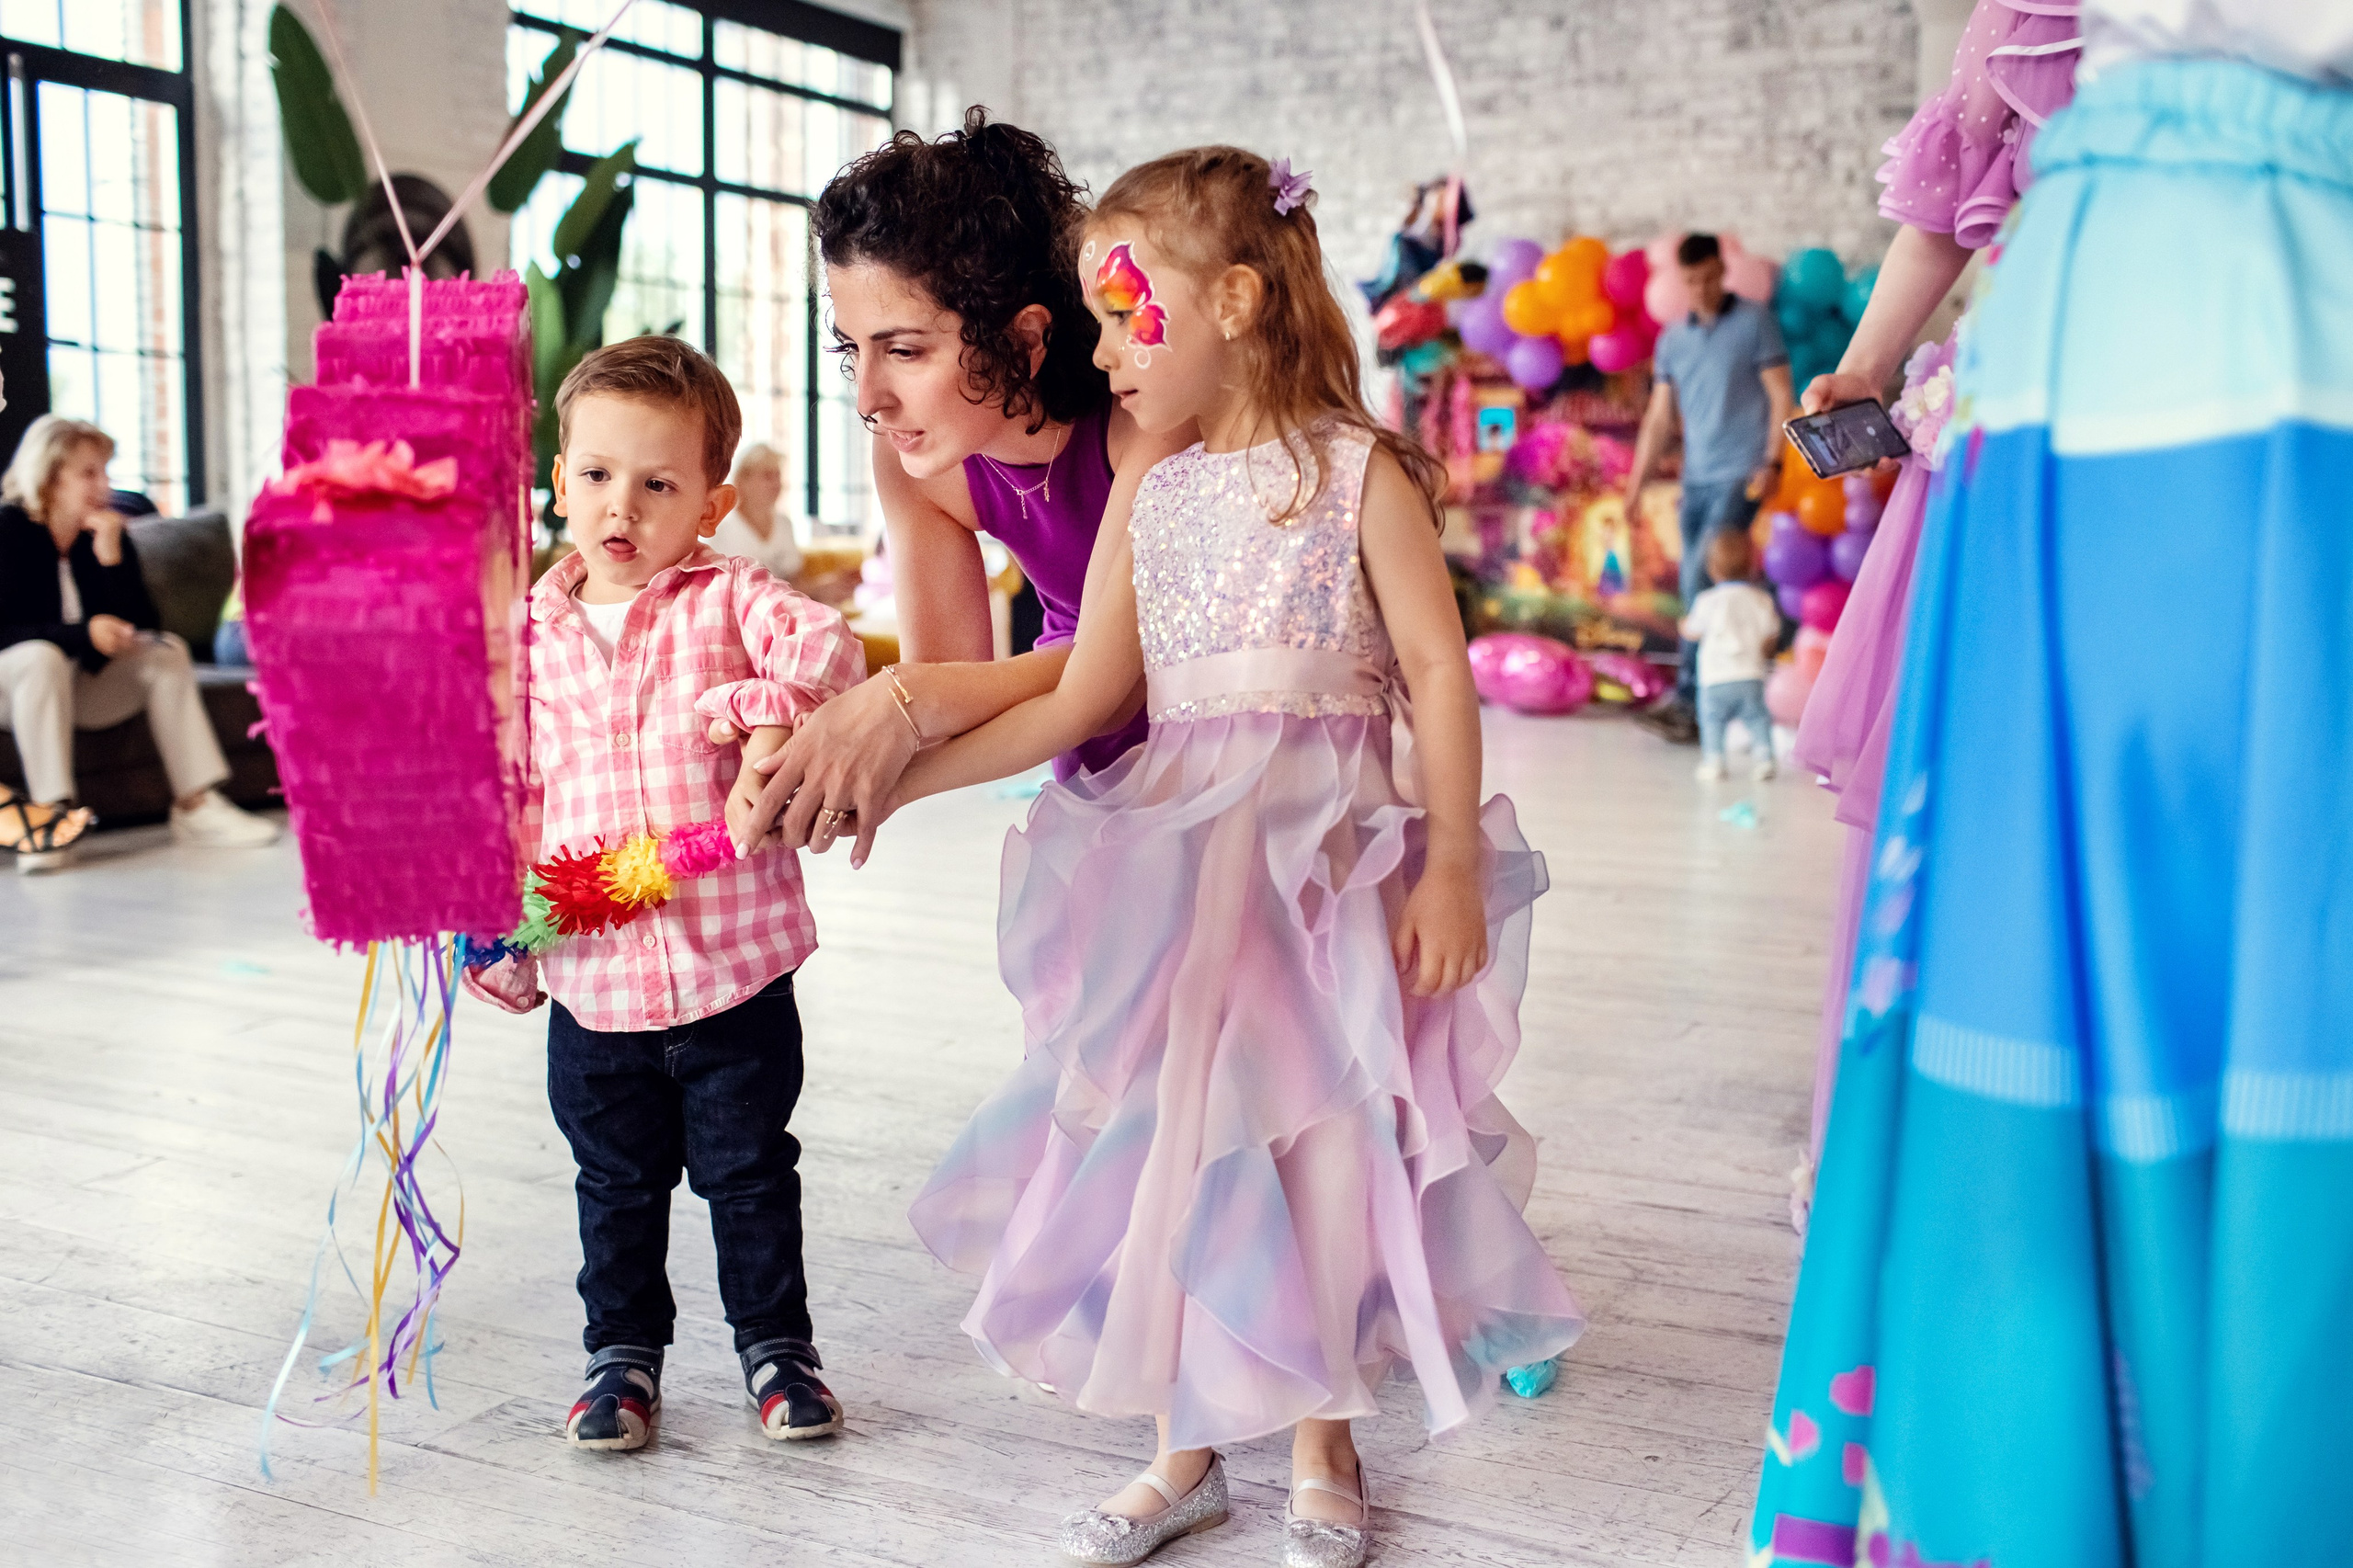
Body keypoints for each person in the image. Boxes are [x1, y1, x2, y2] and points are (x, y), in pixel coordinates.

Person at [871, 147, 1585, 1568]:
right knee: (1180, 1130)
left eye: (1131, 317)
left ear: (1241, 301)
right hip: (1184, 871)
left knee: (1321, 1130)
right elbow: (1081, 697)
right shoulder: (1160, 492)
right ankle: (1182, 1443)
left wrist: (1448, 862)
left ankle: (1321, 1435)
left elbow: (1441, 674)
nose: (1104, 350)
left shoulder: (1354, 473)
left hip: (1328, 864)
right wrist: (898, 783)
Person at [1750, 10, 2353, 1566]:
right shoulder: (2027, 54)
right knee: (2083, 929)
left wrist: (1874, 374)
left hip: (2169, 335)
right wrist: (1863, 379)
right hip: (2110, 364)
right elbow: (1941, 203)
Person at [462, 336, 866, 1453]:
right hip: (595, 987)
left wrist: (754, 700)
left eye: (658, 483)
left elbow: (833, 653)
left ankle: (777, 1346)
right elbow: (517, 791)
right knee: (616, 1182)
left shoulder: (732, 598)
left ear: (711, 501)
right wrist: (509, 932)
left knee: (750, 1174)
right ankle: (620, 1353)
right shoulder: (527, 637)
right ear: (559, 481)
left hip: (732, 970)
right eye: (595, 476)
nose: (621, 506)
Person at [1788, 0, 2082, 1190]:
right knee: (1969, 788)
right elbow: (1947, 207)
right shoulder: (2020, 20)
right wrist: (1864, 363)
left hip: (2216, 401)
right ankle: (1921, 1152)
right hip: (2016, 428)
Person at [737, 108, 1195, 859]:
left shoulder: (1148, 416)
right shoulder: (912, 459)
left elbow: (1121, 672)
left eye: (906, 351)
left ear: (1022, 338)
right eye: (856, 350)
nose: (868, 400)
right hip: (1095, 768)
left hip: (1223, 749)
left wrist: (896, 704)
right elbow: (951, 690)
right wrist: (790, 756)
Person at [0, 414, 278, 869]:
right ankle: (51, 818)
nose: (103, 485)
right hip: (15, 690)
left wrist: (110, 561)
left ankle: (197, 806)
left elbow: (146, 624)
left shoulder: (106, 533)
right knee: (39, 656)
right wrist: (82, 633)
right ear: (49, 475)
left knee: (165, 653)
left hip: (81, 688)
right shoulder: (8, 531)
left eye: (105, 471)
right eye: (88, 473)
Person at [1625, 233, 1796, 744]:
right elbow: (1659, 418)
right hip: (1695, 479)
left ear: (1722, 271)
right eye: (1691, 281)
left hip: (1740, 474)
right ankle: (1716, 697)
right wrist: (1636, 486)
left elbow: (1781, 394)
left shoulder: (1755, 323)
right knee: (1695, 585)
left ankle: (1690, 701)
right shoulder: (1673, 339)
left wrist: (1773, 462)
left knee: (1700, 579)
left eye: (1708, 277)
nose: (1700, 289)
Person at [1680, 528, 1780, 783]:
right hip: (1750, 674)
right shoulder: (1761, 600)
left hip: (1715, 677)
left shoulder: (1707, 600)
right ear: (1752, 568)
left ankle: (1714, 762)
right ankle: (1765, 758)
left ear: (1713, 568)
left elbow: (1693, 631)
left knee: (1712, 721)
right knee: (1757, 718)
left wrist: (1683, 626)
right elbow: (1771, 631)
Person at [710, 440, 807, 584]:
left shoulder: (784, 524)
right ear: (742, 481)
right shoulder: (720, 528)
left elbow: (796, 583)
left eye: (777, 476)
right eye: (767, 476)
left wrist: (826, 587)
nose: (776, 484)